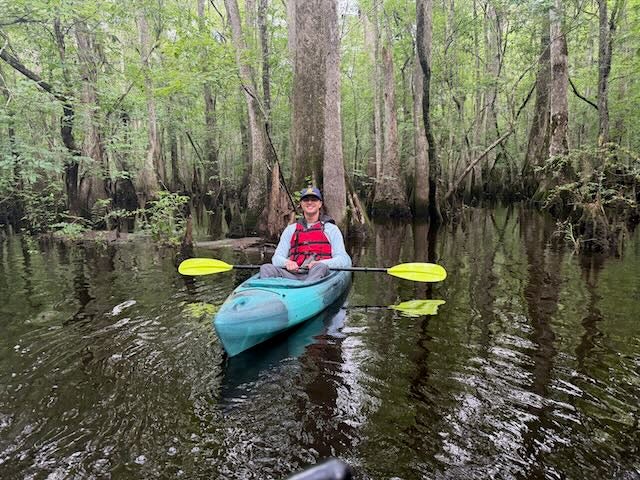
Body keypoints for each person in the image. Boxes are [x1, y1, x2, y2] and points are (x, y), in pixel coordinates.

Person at [259, 186, 352, 281]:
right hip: (294, 275)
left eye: (314, 199)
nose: (310, 202)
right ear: (301, 204)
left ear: (320, 204)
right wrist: (287, 263)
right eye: (306, 200)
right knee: (266, 268)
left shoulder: (331, 229)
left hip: (321, 275)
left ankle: (308, 289)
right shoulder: (291, 230)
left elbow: (342, 259)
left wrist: (323, 263)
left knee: (320, 267)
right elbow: (277, 258)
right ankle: (268, 293)